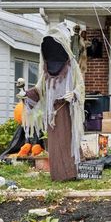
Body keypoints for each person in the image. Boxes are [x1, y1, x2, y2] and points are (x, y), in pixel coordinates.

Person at [22, 25, 85, 181]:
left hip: (67, 111)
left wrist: (74, 94)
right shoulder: (47, 70)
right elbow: (39, 89)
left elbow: (80, 86)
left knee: (67, 141)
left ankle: (72, 173)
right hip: (52, 114)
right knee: (56, 145)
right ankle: (59, 174)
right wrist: (26, 94)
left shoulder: (72, 66)